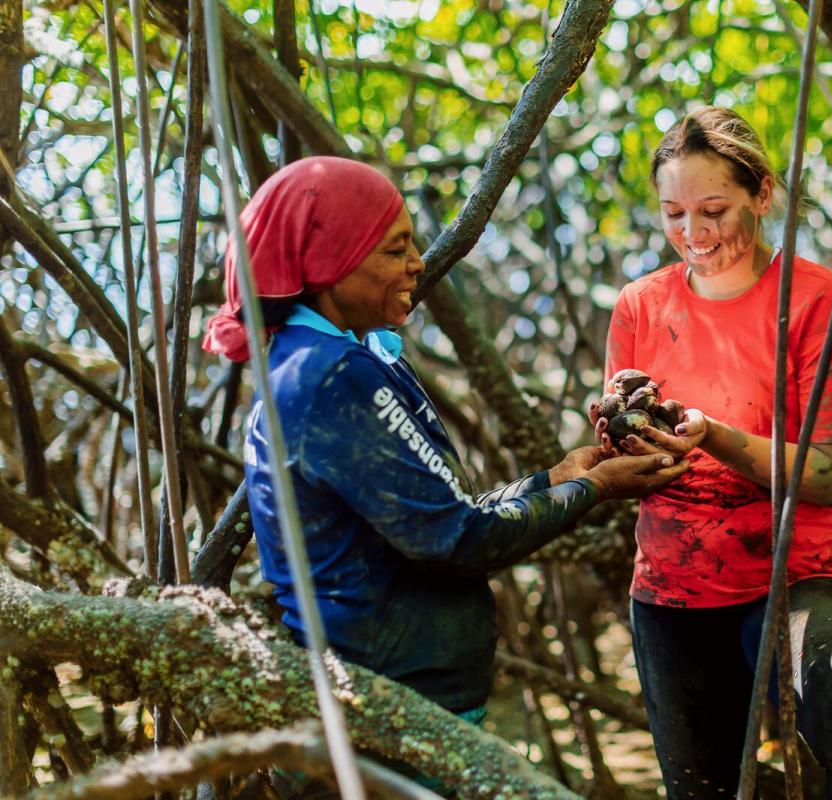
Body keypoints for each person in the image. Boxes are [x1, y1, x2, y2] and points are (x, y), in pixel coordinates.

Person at [202, 156, 688, 791]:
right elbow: (456, 538)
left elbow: (438, 512)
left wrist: (556, 477)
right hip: (379, 722)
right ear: (333, 262)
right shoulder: (330, 377)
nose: (417, 263)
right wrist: (593, 487)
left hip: (400, 714)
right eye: (395, 249)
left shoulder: (345, 359)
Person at [593, 108, 832, 798]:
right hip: (675, 586)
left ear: (763, 194)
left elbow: (829, 475)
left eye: (714, 210)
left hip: (797, 573)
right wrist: (628, 444)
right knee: (702, 787)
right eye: (674, 213)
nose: (693, 234)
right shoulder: (639, 306)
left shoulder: (819, 300)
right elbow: (622, 451)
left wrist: (716, 437)